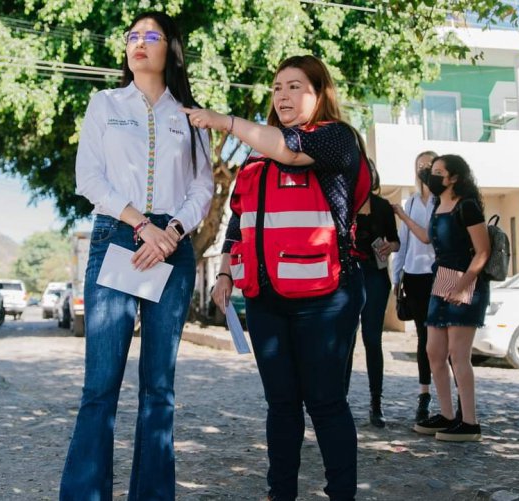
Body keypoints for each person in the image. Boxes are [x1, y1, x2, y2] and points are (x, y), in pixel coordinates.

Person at [186, 55, 371, 500]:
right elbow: (239, 219)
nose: (283, 95)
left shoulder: (337, 139)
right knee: (281, 405)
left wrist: (222, 120)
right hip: (267, 298)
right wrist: (227, 271)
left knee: (326, 403)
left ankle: (342, 493)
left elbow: (289, 148)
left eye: (295, 87)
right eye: (276, 88)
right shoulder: (256, 154)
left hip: (328, 296)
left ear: (319, 93)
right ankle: (279, 493)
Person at [59, 11, 213, 500]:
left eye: (152, 36)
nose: (139, 43)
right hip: (118, 239)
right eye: (132, 36)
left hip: (172, 246)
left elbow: (203, 186)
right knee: (100, 387)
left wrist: (170, 231)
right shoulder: (104, 103)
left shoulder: (191, 116)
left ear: (172, 48)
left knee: (159, 392)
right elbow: (90, 179)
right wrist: (142, 225)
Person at [393, 154, 490, 442]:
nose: (430, 176)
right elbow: (426, 239)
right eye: (429, 171)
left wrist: (462, 286)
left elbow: (482, 252)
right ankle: (447, 415)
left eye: (437, 172)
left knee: (458, 355)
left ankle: (469, 421)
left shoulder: (468, 207)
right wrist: (404, 217)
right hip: (442, 278)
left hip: (466, 278)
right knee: (434, 352)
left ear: (454, 178)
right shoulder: (437, 205)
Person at [345, 163, 399, 428]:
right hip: (347, 276)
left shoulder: (383, 206)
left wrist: (392, 246)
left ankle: (375, 402)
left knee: (371, 339)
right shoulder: (344, 202)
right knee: (345, 339)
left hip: (376, 277)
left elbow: (396, 240)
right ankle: (339, 400)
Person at [391, 151, 437, 423]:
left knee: (441, 339)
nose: (424, 170)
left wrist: (403, 217)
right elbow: (404, 242)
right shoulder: (411, 202)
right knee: (423, 337)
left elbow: (427, 236)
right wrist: (396, 279)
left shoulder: (440, 201)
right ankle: (424, 395)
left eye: (428, 166)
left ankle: (454, 397)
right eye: (419, 165)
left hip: (436, 276)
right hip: (414, 276)